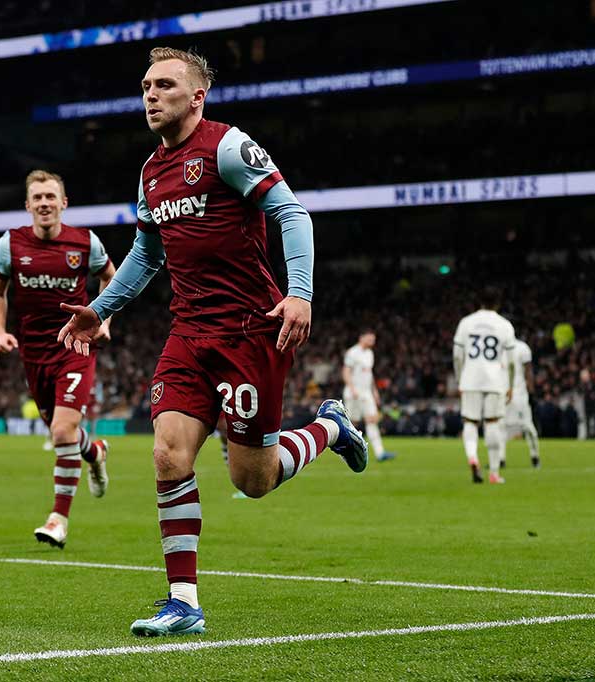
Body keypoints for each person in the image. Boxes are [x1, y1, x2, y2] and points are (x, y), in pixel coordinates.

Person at [57, 47, 367, 637]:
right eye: (146, 85)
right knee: (167, 453)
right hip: (189, 332)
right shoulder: (151, 173)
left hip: (252, 331)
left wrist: (299, 293)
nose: (150, 94)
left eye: (165, 85)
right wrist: (99, 310)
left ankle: (330, 427)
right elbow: (147, 256)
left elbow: (292, 215)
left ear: (197, 96)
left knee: (253, 480)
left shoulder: (228, 147)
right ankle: (183, 603)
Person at [0, 170, 118, 548]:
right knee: (63, 435)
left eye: (51, 196)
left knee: (62, 432)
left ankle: (58, 519)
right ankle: (94, 452)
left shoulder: (85, 243)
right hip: (34, 354)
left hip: (75, 348)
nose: (44, 203)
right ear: (28, 206)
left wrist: (104, 318)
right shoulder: (10, 245)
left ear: (64, 203)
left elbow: (109, 277)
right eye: (37, 198)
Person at [452, 295, 516, 484]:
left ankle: (473, 457)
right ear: (498, 304)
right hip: (495, 381)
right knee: (492, 423)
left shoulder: (466, 322)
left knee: (470, 423)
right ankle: (494, 473)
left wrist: (459, 379)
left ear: (479, 303)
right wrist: (510, 384)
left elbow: (457, 355)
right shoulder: (504, 325)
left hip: (470, 379)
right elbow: (511, 362)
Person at [342, 330, 396, 462]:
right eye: (370, 339)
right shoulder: (352, 352)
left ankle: (380, 453)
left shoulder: (370, 354)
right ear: (362, 338)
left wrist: (375, 391)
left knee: (372, 419)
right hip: (354, 393)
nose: (372, 341)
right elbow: (346, 371)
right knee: (351, 424)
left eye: (374, 339)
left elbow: (369, 374)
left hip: (366, 393)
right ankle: (345, 453)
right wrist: (352, 388)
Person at [502, 337, 540, 468]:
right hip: (504, 393)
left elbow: (528, 371)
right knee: (500, 426)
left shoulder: (521, 347)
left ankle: (535, 456)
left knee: (526, 426)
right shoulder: (501, 348)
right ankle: (500, 460)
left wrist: (531, 391)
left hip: (518, 394)